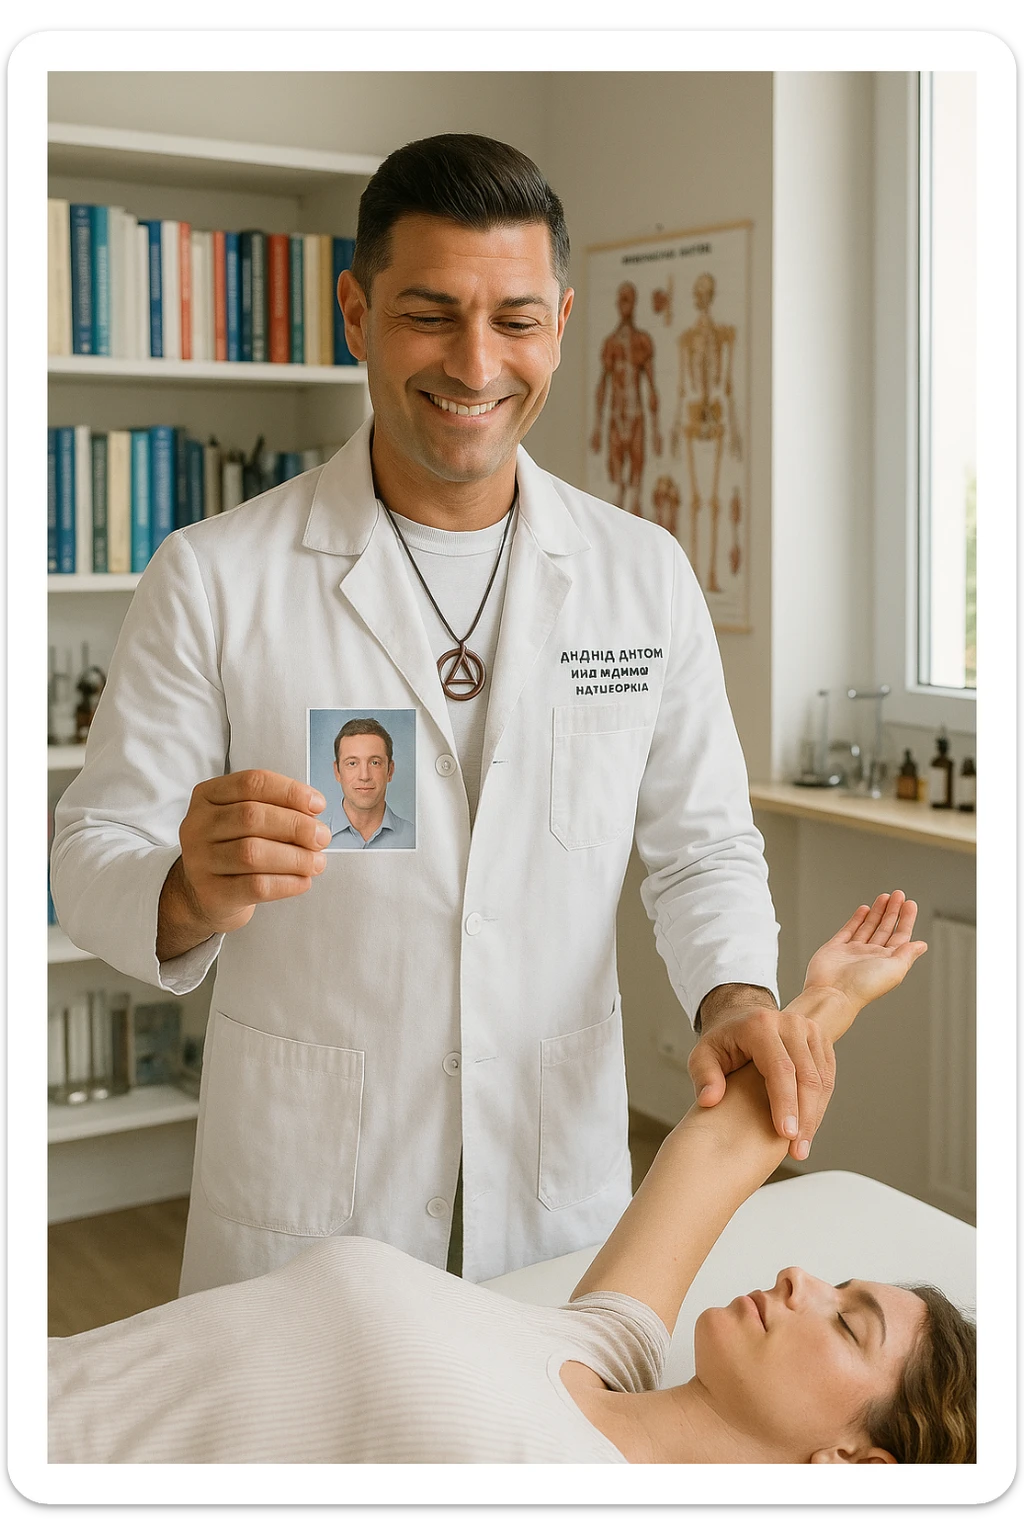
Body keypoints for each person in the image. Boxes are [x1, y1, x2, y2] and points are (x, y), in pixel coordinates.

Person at [50, 133, 830, 1297]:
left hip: (553, 1172)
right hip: (316, 1192)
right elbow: (87, 853)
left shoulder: (640, 576)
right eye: (429, 315)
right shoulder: (214, 576)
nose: (476, 363)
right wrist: (185, 891)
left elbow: (702, 847)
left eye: (515, 320)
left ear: (560, 323)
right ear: (355, 314)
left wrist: (734, 994)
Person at [47, 894, 976, 1465]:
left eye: (847, 1323)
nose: (801, 1279)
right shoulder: (606, 1354)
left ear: (855, 1464)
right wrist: (831, 997)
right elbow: (727, 1143)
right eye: (839, 1286)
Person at [327, 717, 415, 850]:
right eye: (352, 763)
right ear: (337, 771)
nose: (364, 776)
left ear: (390, 771)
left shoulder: (414, 838)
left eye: (375, 762)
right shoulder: (313, 840)